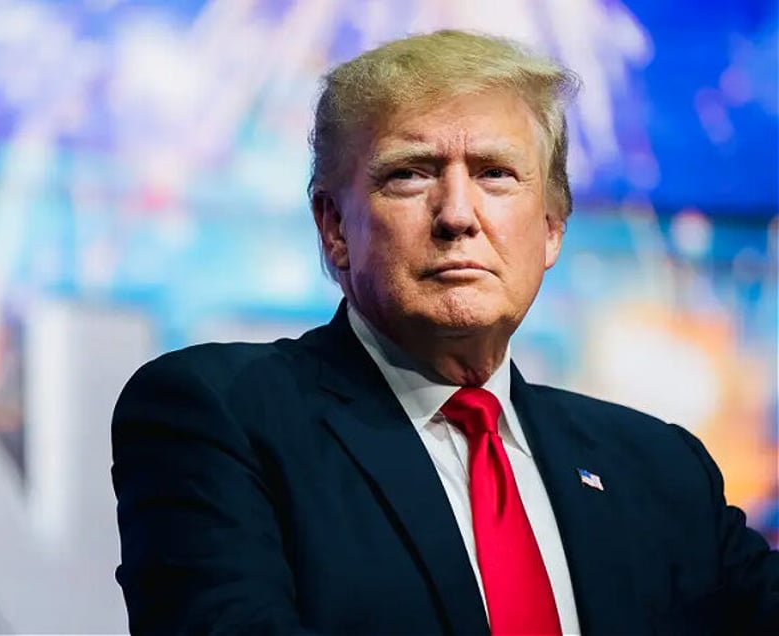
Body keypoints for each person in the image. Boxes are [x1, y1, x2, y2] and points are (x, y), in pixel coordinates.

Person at [111, 30, 779, 635]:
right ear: (335, 228)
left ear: (551, 229)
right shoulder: (220, 415)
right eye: (410, 174)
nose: (458, 215)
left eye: (495, 174)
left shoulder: (660, 470)